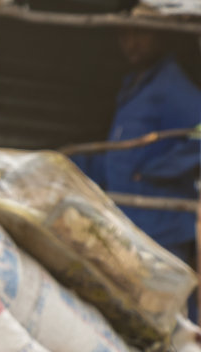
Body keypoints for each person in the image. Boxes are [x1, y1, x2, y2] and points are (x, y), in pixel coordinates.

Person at [74, 28, 201, 316]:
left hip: (161, 224)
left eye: (139, 34)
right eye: (123, 35)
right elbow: (120, 154)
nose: (131, 43)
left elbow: (200, 132)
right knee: (137, 308)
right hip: (130, 221)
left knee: (172, 308)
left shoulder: (170, 85)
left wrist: (159, 170)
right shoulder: (135, 85)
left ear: (159, 35)